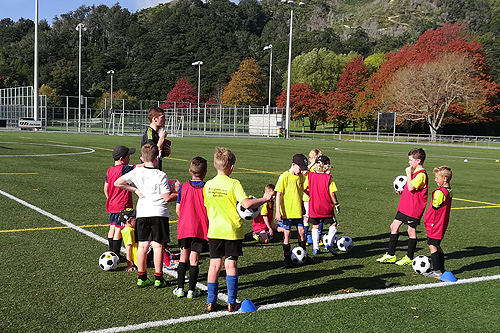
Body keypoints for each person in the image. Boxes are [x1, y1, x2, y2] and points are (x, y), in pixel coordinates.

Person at [203, 147, 273, 312]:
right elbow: (246, 204)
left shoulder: (208, 185)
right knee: (231, 265)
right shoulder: (234, 184)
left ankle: (210, 301)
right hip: (232, 231)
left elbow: (207, 206)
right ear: (232, 167)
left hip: (214, 230)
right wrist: (264, 199)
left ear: (214, 164)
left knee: (214, 265)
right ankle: (231, 302)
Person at [114, 143, 177, 288]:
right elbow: (166, 197)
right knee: (158, 246)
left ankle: (141, 277)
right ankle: (158, 277)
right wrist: (179, 195)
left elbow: (118, 183)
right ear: (157, 158)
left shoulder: (136, 172)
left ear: (142, 158)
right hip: (159, 213)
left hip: (142, 213)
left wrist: (134, 190)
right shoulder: (161, 175)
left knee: (142, 246)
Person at [377, 148, 428, 265]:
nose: (409, 162)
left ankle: (409, 257)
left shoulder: (421, 175)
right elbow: (410, 189)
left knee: (411, 230)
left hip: (414, 208)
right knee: (394, 226)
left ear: (418, 161)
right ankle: (391, 255)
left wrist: (408, 173)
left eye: (411, 160)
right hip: (405, 206)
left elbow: (411, 187)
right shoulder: (416, 173)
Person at [173, 156, 209, 299]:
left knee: (183, 258)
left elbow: (178, 209)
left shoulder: (183, 187)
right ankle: (191, 291)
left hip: (185, 228)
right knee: (194, 259)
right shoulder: (207, 188)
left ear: (190, 171)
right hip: (200, 229)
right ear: (205, 173)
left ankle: (180, 288)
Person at [275, 153, 310, 268]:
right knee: (287, 234)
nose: (301, 171)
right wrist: (278, 211)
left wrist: (302, 206)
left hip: (297, 210)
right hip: (286, 213)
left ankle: (303, 254)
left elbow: (300, 192)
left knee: (302, 232)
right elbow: (278, 194)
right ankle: (287, 258)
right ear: (293, 164)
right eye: (300, 168)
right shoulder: (284, 177)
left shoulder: (300, 177)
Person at [104, 145, 137, 262]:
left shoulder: (110, 170)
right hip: (121, 205)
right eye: (128, 157)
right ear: (122, 159)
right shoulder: (124, 169)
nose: (129, 159)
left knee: (112, 227)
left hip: (112, 204)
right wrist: (147, 161)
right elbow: (138, 167)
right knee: (119, 229)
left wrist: (110, 198)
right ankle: (115, 255)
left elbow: (106, 187)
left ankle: (110, 251)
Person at [306, 155, 340, 255]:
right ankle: (329, 244)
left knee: (315, 226)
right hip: (326, 206)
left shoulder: (310, 176)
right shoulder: (328, 178)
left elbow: (305, 184)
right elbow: (332, 193)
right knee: (333, 223)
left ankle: (316, 248)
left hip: (313, 206)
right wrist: (336, 203)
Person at [423, 166, 453, 278]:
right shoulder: (449, 191)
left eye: (437, 178)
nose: (435, 180)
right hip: (441, 223)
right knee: (437, 245)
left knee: (432, 245)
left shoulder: (440, 192)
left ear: (445, 178)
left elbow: (435, 206)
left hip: (435, 223)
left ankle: (437, 271)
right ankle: (441, 268)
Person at [304, 149, 323, 246]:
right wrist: (312, 164)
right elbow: (304, 172)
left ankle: (318, 238)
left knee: (319, 217)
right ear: (312, 159)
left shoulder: (320, 168)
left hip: (318, 197)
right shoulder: (310, 168)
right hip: (307, 196)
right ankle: (306, 237)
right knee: (307, 217)